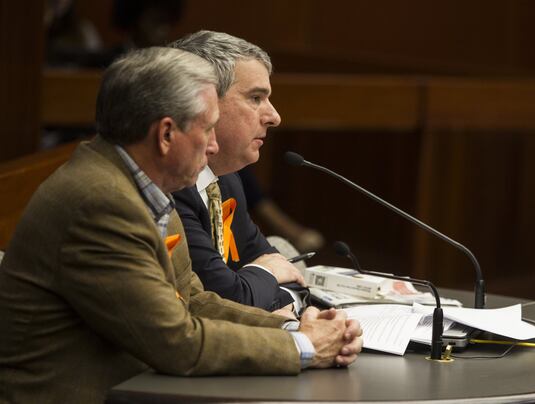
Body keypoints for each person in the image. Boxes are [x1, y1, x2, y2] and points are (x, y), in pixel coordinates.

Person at [0, 47, 362, 403]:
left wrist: (295, 328)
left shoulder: (146, 188)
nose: (214, 146)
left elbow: (193, 300)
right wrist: (304, 347)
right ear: (166, 134)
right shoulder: (101, 204)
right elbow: (175, 342)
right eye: (208, 129)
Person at [170, 31, 313, 313]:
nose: (274, 117)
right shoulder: (171, 188)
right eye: (256, 98)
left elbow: (288, 273)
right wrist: (267, 278)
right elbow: (225, 298)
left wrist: (279, 294)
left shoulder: (226, 180)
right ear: (203, 103)